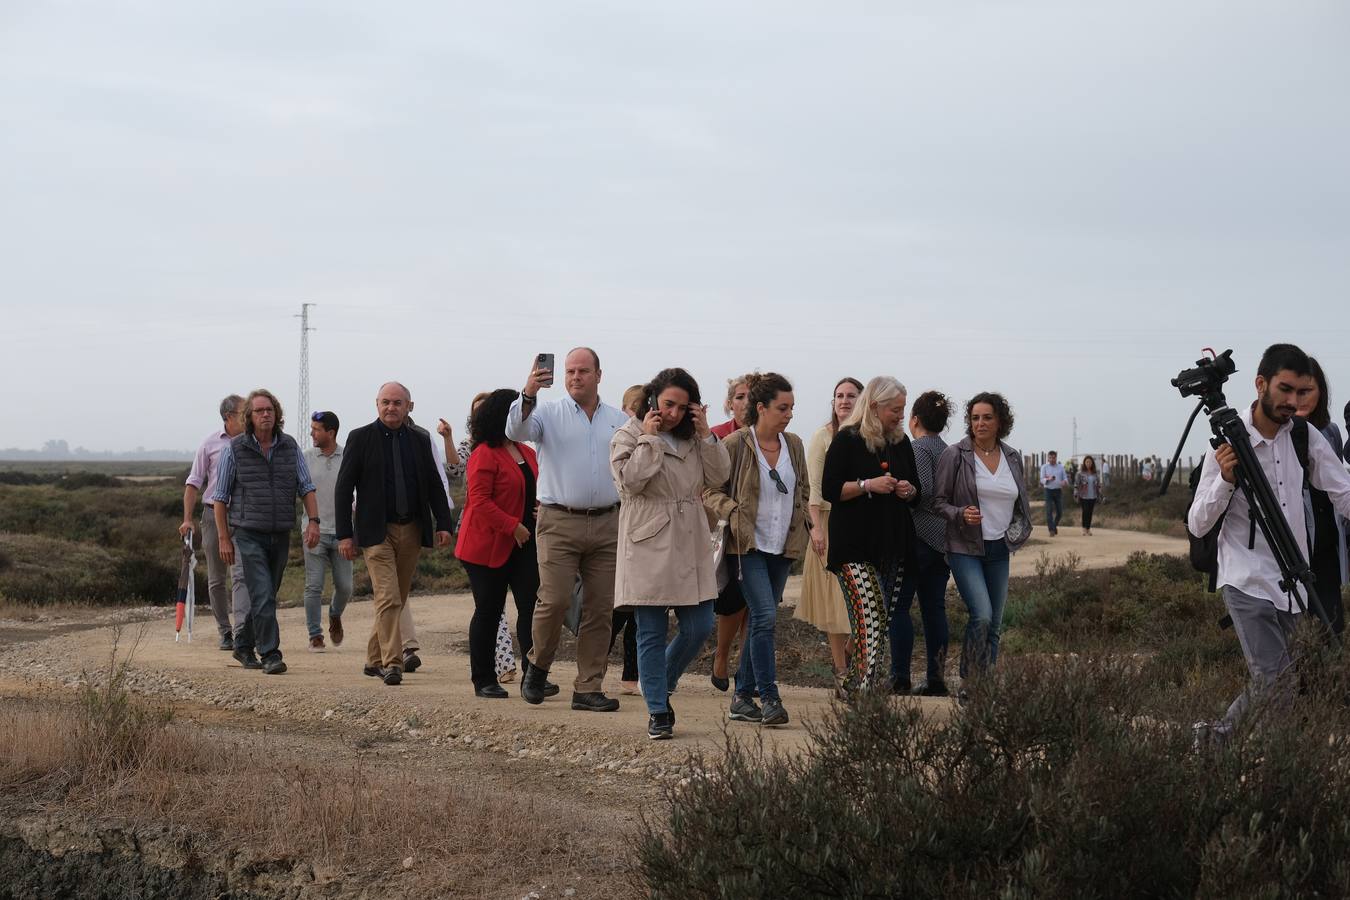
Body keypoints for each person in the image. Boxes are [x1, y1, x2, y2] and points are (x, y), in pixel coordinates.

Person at [1190, 344, 1350, 746]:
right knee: (1275, 681)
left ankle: (1212, 741)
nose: (1293, 401)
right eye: (1285, 389)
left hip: (1293, 580)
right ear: (1260, 383)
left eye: (1301, 392)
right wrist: (1226, 481)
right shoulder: (1231, 438)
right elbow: (1198, 523)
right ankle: (1271, 775)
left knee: (1282, 679)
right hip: (1246, 578)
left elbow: (1343, 490)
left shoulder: (1303, 436)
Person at [506, 347, 628, 711]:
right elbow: (516, 428)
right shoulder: (546, 413)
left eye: (583, 371)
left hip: (608, 521)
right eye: (570, 371)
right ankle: (538, 667)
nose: (575, 377)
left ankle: (588, 686)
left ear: (599, 375)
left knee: (600, 607)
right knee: (555, 599)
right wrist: (528, 391)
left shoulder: (618, 419)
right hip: (559, 519)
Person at [611, 368, 730, 739]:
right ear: (652, 400)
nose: (674, 413)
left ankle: (659, 679)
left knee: (700, 625)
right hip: (648, 537)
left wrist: (707, 433)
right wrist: (649, 438)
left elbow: (719, 476)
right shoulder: (628, 435)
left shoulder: (694, 437)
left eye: (683, 406)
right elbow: (631, 481)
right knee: (650, 629)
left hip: (691, 536)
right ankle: (658, 711)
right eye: (668, 404)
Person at [705, 372, 809, 727]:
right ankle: (769, 698)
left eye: (792, 407)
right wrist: (733, 511)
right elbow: (710, 490)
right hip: (747, 547)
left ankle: (740, 697)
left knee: (760, 620)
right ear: (761, 407)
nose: (789, 414)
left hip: (782, 548)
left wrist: (807, 525)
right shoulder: (734, 443)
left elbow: (803, 492)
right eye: (783, 407)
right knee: (764, 616)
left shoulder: (794, 445)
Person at [334, 382, 454, 686]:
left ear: (409, 406)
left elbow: (434, 484)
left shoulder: (420, 439)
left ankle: (373, 658)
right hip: (376, 532)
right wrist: (344, 535)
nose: (391, 407)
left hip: (411, 528)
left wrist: (443, 523)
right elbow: (344, 487)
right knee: (387, 595)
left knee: (396, 599)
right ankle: (393, 663)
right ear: (377, 404)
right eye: (386, 402)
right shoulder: (360, 438)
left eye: (398, 403)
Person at [821, 376, 920, 695]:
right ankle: (861, 691)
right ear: (875, 406)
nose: (901, 415)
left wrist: (908, 490)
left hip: (893, 545)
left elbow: (916, 489)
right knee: (872, 616)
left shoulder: (901, 441)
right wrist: (867, 485)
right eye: (896, 408)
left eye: (903, 408)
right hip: (853, 546)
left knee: (879, 622)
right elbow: (830, 489)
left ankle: (852, 684)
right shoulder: (848, 439)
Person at [212, 389, 321, 675]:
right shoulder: (234, 449)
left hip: (280, 532)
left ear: (277, 414)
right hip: (247, 533)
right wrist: (224, 538)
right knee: (262, 593)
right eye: (259, 411)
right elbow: (220, 498)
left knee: (268, 593)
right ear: (249, 416)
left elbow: (306, 486)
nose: (265, 415)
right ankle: (271, 653)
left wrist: (314, 521)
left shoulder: (289, 446)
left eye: (269, 410)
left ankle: (243, 645)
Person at [934, 392, 1033, 687]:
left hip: (999, 548)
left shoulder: (1012, 457)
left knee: (995, 625)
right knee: (983, 615)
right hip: (964, 547)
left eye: (987, 417)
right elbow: (938, 503)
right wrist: (961, 513)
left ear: (1000, 421)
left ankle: (982, 685)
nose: (980, 423)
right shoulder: (955, 454)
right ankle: (969, 680)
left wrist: (1017, 532)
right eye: (975, 418)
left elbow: (1020, 502)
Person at [454, 389, 541, 698]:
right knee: (489, 611)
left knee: (532, 609)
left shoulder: (526, 451)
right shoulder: (484, 453)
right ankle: (484, 679)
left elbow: (535, 489)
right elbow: (478, 501)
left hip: (524, 543)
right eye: (518, 410)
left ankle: (533, 676)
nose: (525, 415)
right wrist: (512, 526)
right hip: (486, 545)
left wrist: (539, 506)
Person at [796, 377, 863, 696]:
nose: (844, 400)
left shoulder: (869, 437)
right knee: (835, 603)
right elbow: (814, 486)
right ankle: (840, 672)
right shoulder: (823, 436)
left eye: (851, 395)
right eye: (839, 395)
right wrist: (816, 528)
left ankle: (852, 652)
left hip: (863, 524)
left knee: (862, 602)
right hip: (828, 520)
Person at [891, 390, 954, 696]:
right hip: (943, 540)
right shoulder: (949, 450)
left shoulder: (918, 448)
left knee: (899, 608)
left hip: (918, 538)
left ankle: (900, 677)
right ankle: (937, 679)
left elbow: (924, 490)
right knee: (934, 610)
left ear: (914, 419)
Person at [180, 394, 248, 651]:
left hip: (243, 516)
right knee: (217, 579)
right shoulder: (209, 444)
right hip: (211, 516)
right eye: (244, 412)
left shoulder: (251, 442)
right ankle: (225, 631)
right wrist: (187, 519)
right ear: (229, 417)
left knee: (241, 574)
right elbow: (193, 483)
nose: (248, 415)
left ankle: (242, 629)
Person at [710, 373, 753, 690]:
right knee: (733, 599)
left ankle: (746, 669)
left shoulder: (775, 438)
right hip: (724, 528)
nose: (746, 402)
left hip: (762, 530)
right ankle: (722, 655)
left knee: (757, 604)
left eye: (752, 396)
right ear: (729, 402)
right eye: (739, 396)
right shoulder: (718, 436)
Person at [1298, 356, 1347, 634]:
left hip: (1325, 540)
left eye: (1308, 390)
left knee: (1331, 624)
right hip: (1290, 540)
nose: (1300, 398)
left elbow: (1339, 488)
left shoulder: (1330, 431)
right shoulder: (1276, 434)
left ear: (1321, 391)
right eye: (1293, 390)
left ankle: (1328, 676)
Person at [605, 384, 648, 696]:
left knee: (640, 612)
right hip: (618, 527)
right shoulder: (619, 437)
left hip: (645, 531)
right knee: (617, 610)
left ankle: (632, 676)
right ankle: (593, 664)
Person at [302, 411, 352, 651]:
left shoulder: (348, 457)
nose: (311, 432)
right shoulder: (305, 458)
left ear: (330, 433)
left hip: (343, 533)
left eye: (316, 429)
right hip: (314, 532)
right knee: (314, 585)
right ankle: (315, 635)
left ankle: (334, 615)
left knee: (345, 587)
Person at [711, 376, 750, 440]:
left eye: (752, 396)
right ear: (730, 404)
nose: (747, 402)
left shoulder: (771, 434)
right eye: (740, 397)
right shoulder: (715, 435)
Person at [1074, 455, 1103, 536]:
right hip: (1083, 495)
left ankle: (1088, 528)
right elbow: (1076, 484)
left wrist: (1100, 492)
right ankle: (1084, 528)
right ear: (1084, 463)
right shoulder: (1080, 473)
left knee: (1090, 512)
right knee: (1085, 511)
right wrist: (1076, 494)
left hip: (1093, 495)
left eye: (1090, 462)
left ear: (1092, 463)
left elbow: (1098, 484)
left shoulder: (1095, 473)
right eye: (1087, 462)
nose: (1088, 463)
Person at [1039, 451, 1067, 536]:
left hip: (1058, 490)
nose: (1052, 459)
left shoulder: (1061, 467)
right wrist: (1048, 479)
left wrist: (1065, 481)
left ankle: (1054, 526)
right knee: (1049, 510)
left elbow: (1065, 478)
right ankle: (1051, 530)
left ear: (1056, 458)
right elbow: (1041, 479)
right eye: (1050, 457)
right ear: (1048, 458)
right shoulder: (1044, 467)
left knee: (1060, 512)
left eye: (1053, 457)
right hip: (1048, 490)